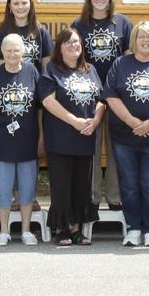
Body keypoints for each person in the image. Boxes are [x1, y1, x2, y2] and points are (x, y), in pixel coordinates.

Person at [104, 21, 149, 248]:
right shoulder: (120, 64)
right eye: (140, 37)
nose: (145, 41)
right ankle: (133, 228)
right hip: (125, 137)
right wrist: (132, 121)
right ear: (134, 40)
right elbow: (111, 95)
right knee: (128, 184)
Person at [38, 29, 105, 246]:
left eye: (76, 41)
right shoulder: (52, 70)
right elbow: (48, 101)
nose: (73, 45)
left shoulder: (90, 69)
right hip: (61, 137)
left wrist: (94, 121)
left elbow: (101, 99)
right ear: (59, 47)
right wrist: (75, 121)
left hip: (85, 137)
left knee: (81, 185)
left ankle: (76, 228)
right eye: (67, 42)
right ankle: (62, 228)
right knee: (61, 184)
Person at [70, 0, 131, 212]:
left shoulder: (122, 23)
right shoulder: (79, 24)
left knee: (116, 148)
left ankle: (115, 196)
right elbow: (74, 60)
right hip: (89, 96)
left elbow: (128, 60)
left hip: (116, 95)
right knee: (91, 148)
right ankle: (93, 196)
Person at [0, 35, 43, 246]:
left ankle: (26, 230)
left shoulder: (32, 71)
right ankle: (4, 231)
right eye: (8, 51)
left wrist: (41, 136)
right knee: (3, 188)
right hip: (0, 141)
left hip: (27, 140)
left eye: (16, 50)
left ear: (23, 51)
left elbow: (40, 109)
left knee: (27, 187)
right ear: (2, 52)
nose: (12, 54)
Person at [0, 0, 52, 72]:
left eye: (24, 3)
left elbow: (46, 67)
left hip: (35, 82)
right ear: (10, 6)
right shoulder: (2, 33)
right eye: (16, 3)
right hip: (11, 83)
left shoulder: (41, 31)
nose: (20, 7)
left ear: (30, 5)